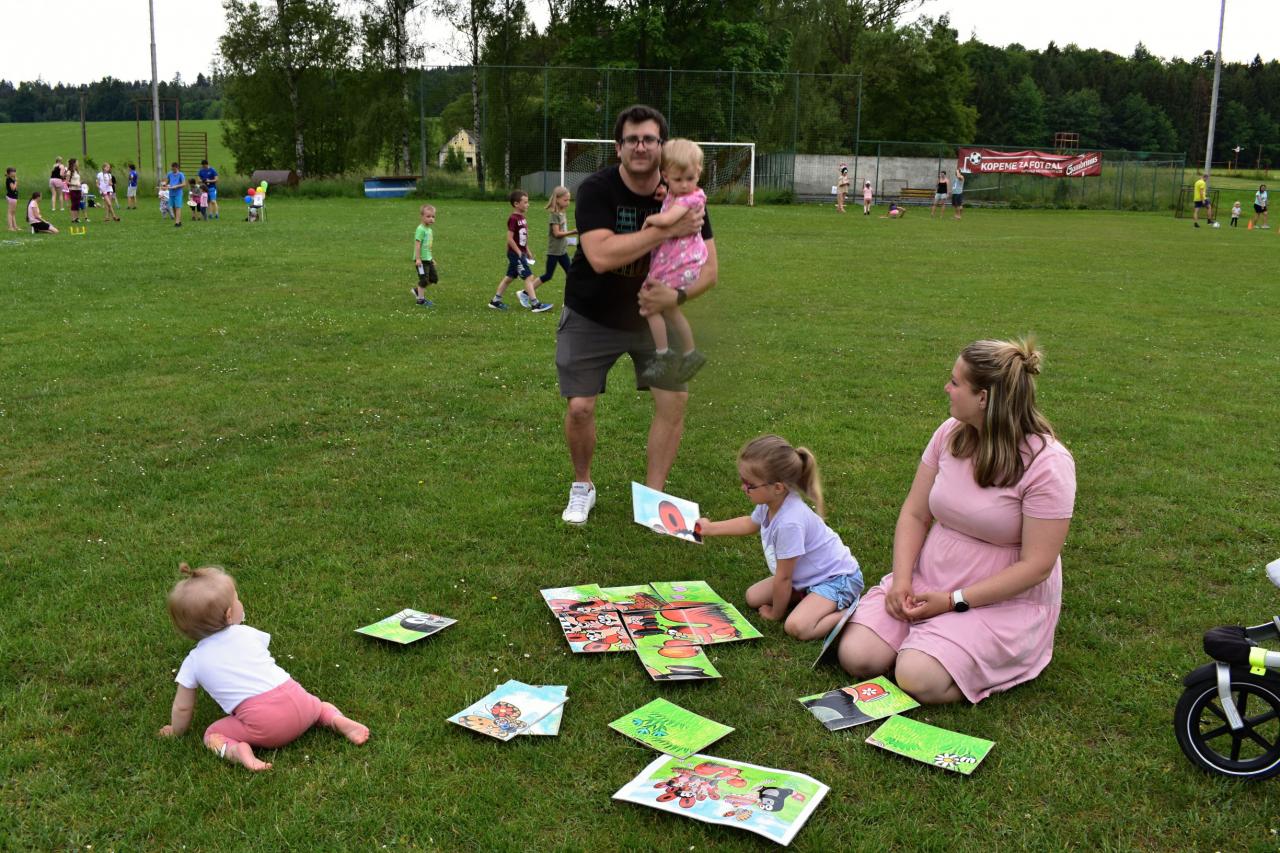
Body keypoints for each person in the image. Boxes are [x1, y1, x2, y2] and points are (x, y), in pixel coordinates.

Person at [836, 338, 1076, 705]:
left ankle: (939, 653)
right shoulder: (950, 433)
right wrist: (902, 580)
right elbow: (915, 513)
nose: (946, 388)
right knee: (857, 656)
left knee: (915, 676)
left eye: (954, 382)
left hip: (1000, 600)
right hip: (931, 576)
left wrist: (953, 601)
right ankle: (929, 644)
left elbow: (1037, 565)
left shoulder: (1048, 464)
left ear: (983, 398)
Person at [556, 104, 715, 525]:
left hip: (654, 315)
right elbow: (601, 256)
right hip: (593, 313)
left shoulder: (684, 189)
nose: (640, 147)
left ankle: (653, 500)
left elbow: (711, 269)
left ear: (662, 146)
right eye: (632, 139)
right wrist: (666, 230)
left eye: (649, 139)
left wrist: (676, 297)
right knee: (580, 407)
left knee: (674, 400)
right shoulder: (596, 189)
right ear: (618, 147)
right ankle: (582, 485)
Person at [158, 563, 370, 771]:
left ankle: (236, 751)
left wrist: (176, 730)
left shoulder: (194, 661)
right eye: (237, 599)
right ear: (229, 615)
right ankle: (336, 720)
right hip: (303, 702)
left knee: (212, 734)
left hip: (268, 726)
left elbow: (183, 707)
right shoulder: (248, 634)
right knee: (321, 706)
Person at [696, 435, 864, 640]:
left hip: (837, 580)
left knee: (796, 627)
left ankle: (853, 613)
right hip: (806, 578)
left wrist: (776, 613)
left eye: (749, 484)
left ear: (777, 487)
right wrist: (710, 528)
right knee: (753, 597)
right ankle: (807, 597)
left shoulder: (789, 523)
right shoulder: (772, 503)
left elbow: (784, 577)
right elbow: (750, 523)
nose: (743, 488)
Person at [637, 138, 710, 385]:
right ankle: (690, 353)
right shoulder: (677, 193)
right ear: (666, 177)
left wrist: (650, 220)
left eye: (690, 178)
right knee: (668, 308)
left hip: (680, 262)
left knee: (649, 302)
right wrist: (665, 195)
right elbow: (671, 200)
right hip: (677, 259)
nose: (685, 185)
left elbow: (668, 220)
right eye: (678, 180)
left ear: (698, 172)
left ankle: (663, 354)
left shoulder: (689, 198)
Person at [489, 190, 552, 313]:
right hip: (515, 253)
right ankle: (535, 304)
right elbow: (510, 239)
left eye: (528, 202)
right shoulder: (513, 218)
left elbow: (523, 237)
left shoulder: (522, 218)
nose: (528, 204)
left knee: (509, 277)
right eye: (525, 202)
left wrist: (527, 250)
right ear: (516, 204)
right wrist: (518, 252)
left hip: (520, 252)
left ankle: (495, 301)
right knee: (529, 276)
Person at [541, 186, 577, 289]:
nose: (568, 202)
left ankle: (570, 296)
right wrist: (573, 232)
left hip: (562, 251)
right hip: (554, 251)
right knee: (548, 275)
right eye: (565, 200)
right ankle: (526, 292)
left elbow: (563, 231)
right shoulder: (555, 215)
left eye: (569, 200)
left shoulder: (562, 213)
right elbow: (556, 233)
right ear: (557, 199)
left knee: (570, 273)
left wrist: (568, 240)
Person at [411, 204, 437, 307]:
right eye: (428, 216)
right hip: (421, 260)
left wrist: (432, 258)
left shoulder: (429, 230)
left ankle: (417, 290)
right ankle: (420, 301)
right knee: (424, 280)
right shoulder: (420, 229)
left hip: (428, 259)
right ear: (422, 216)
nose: (431, 219)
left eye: (433, 216)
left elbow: (428, 247)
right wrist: (418, 259)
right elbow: (417, 245)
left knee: (433, 279)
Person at [167, 162, 186, 227]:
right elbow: (167, 182)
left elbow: (184, 184)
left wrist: (177, 186)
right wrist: (165, 185)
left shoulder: (181, 174)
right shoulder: (169, 174)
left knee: (178, 207)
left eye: (174, 169)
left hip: (178, 193)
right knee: (173, 207)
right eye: (172, 169)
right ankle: (178, 221)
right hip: (171, 193)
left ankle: (177, 222)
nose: (173, 170)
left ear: (177, 168)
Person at [66, 159, 83, 223]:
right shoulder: (69, 172)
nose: (78, 163)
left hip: (79, 189)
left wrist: (80, 185)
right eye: (77, 162)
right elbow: (67, 182)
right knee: (74, 204)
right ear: (73, 163)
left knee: (78, 204)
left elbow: (78, 180)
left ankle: (77, 218)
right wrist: (75, 184)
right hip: (73, 190)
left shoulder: (77, 171)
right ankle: (73, 219)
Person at [5, 167, 17, 232]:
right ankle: (10, 227)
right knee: (10, 212)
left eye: (15, 172)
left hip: (14, 197)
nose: (14, 173)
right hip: (11, 197)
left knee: (13, 213)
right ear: (9, 173)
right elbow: (13, 188)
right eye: (13, 172)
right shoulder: (9, 180)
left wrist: (15, 181)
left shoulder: (12, 179)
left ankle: (15, 226)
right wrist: (16, 181)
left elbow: (15, 188)